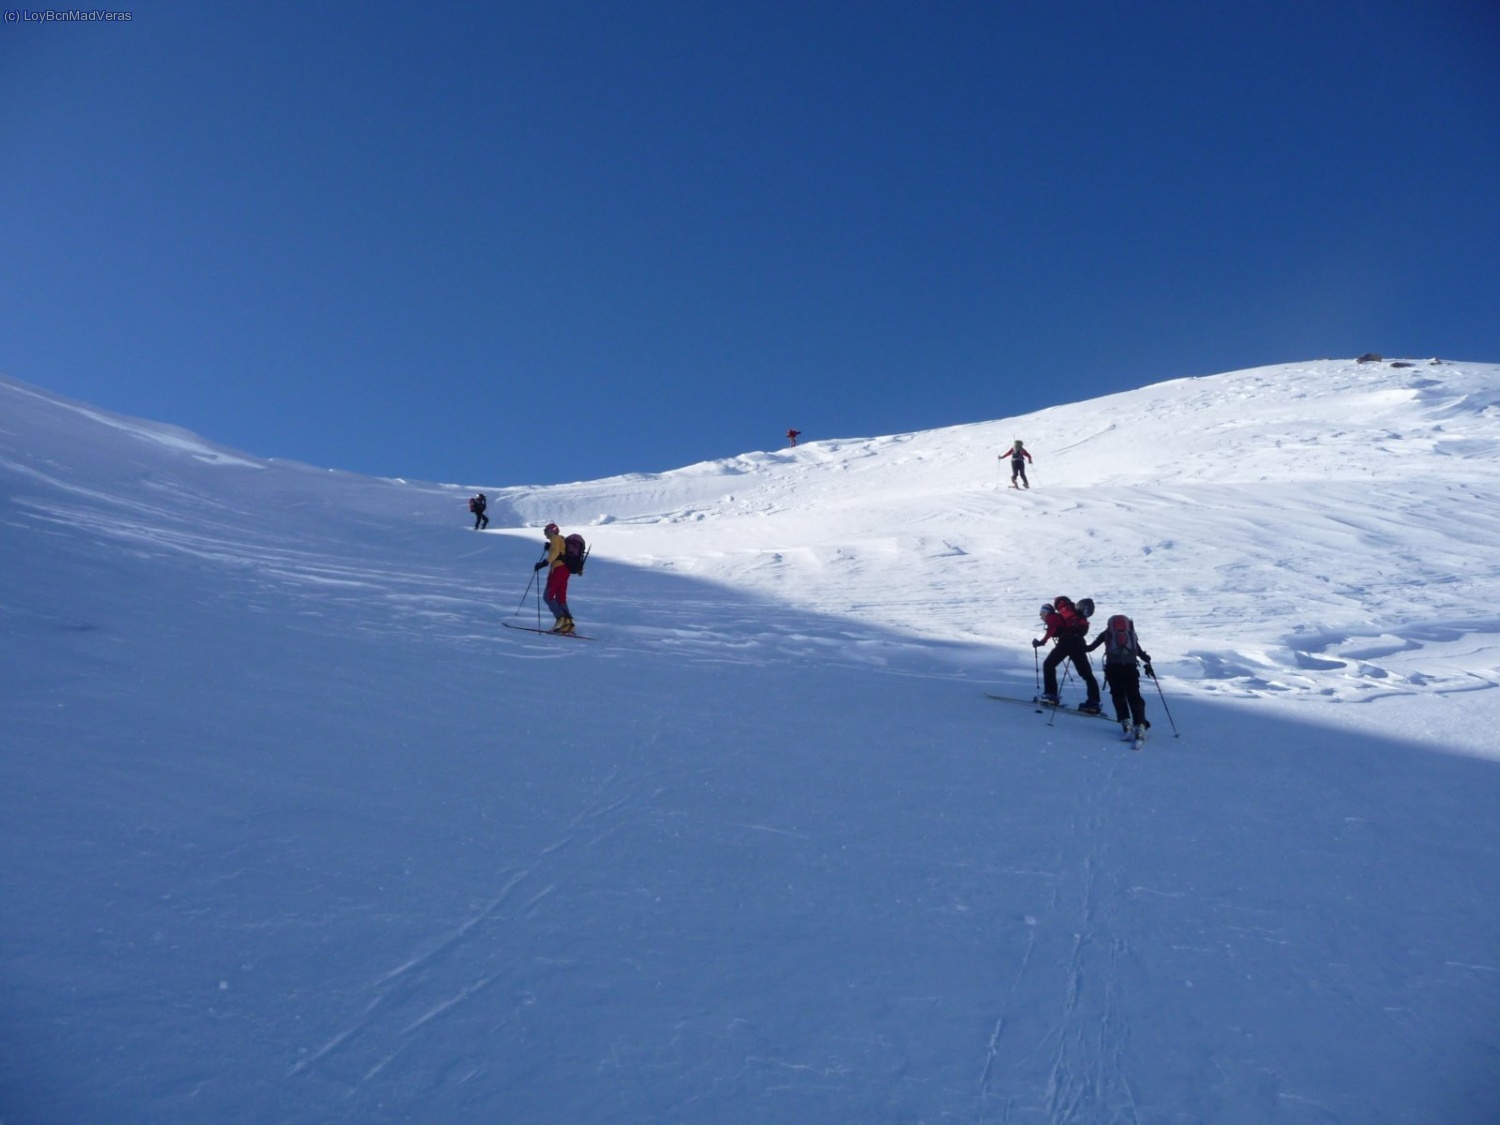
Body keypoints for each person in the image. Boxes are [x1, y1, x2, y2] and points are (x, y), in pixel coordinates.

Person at [1086, 613, 1154, 742]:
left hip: (1113, 668)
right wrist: (1147, 659)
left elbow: (1090, 648)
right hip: (1130, 668)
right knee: (1134, 696)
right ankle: (1140, 724)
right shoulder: (1131, 634)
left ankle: (1125, 722)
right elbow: (1138, 652)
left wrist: (1075, 644)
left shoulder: (1107, 633)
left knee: (1118, 695)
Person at [1032, 596, 1101, 713]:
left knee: (1049, 664)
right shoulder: (1075, 614)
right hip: (1079, 643)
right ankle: (1093, 703)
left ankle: (1050, 695)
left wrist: (1041, 642)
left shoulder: (1057, 615)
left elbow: (1052, 629)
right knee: (1086, 674)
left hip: (1066, 643)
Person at [532, 522, 576, 634]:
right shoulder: (561, 538)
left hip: (558, 570)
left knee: (548, 596)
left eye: (546, 530)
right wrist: (549, 548)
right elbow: (559, 552)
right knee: (560, 598)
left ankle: (561, 618)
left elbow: (556, 553)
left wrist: (544, 563)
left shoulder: (555, 537)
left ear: (552, 530)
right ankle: (569, 623)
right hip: (565, 570)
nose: (545, 532)